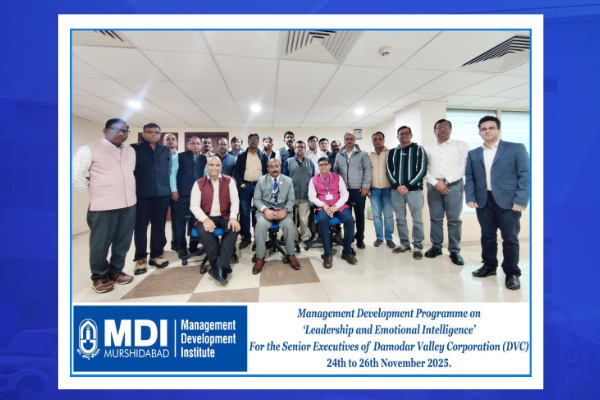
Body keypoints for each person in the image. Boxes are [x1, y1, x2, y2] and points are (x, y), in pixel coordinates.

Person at [465, 116, 530, 290]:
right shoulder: (473, 153)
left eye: (491, 128)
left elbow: (525, 175)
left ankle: (512, 272)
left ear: (499, 130)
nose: (487, 131)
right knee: (487, 236)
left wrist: (521, 199)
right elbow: (469, 177)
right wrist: (470, 197)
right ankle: (489, 266)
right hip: (483, 200)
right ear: (480, 132)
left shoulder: (515, 148)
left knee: (510, 238)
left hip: (508, 201)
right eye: (484, 129)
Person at [72, 118, 135, 293]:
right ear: (105, 131)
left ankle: (116, 272)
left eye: (125, 131)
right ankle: (99, 276)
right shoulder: (88, 149)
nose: (121, 133)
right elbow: (75, 175)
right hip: (103, 206)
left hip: (128, 204)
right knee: (100, 243)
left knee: (123, 241)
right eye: (116, 129)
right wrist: (94, 190)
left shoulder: (130, 151)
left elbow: (129, 173)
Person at [424, 119, 470, 265]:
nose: (442, 129)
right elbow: (423, 169)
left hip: (454, 185)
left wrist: (446, 181)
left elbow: (464, 167)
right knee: (435, 218)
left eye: (446, 127)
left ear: (450, 129)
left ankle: (454, 251)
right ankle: (436, 247)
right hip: (433, 186)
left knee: (454, 220)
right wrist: (436, 183)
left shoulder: (461, 145)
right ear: (434, 131)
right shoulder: (427, 148)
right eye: (439, 128)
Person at [190, 156, 240, 285]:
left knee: (233, 229)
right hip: (205, 216)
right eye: (211, 164)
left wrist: (233, 217)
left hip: (224, 216)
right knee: (205, 232)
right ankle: (222, 267)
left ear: (221, 167)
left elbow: (235, 201)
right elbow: (194, 206)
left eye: (217, 165)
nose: (214, 167)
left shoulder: (229, 181)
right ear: (206, 167)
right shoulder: (199, 183)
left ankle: (218, 267)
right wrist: (205, 219)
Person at [130, 122, 172, 274]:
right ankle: (141, 258)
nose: (153, 134)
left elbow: (168, 171)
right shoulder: (133, 149)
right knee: (140, 227)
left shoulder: (165, 150)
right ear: (143, 134)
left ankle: (156, 254)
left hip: (162, 194)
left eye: (156, 132)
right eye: (150, 131)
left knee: (159, 226)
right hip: (142, 195)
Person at [386, 126, 427, 260]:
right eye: (401, 134)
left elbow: (422, 170)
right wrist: (397, 186)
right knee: (400, 219)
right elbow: (389, 171)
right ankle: (404, 243)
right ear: (397, 136)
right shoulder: (392, 152)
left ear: (411, 135)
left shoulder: (419, 149)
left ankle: (418, 246)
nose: (404, 136)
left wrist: (408, 186)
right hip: (396, 191)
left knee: (417, 220)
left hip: (414, 191)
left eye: (406, 133)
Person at [252, 159, 300, 274]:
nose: (274, 169)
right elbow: (257, 199)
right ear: (267, 169)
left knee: (289, 224)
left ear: (280, 167)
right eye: (271, 167)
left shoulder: (288, 180)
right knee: (260, 225)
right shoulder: (261, 180)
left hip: (282, 210)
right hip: (266, 211)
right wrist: (265, 210)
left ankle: (291, 254)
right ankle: (260, 257)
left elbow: (291, 199)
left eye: (276, 166)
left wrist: (285, 210)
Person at [308, 157, 357, 268]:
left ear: (330, 165)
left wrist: (336, 206)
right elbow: (311, 197)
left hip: (338, 205)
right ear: (318, 167)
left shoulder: (338, 177)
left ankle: (347, 252)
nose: (323, 166)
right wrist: (323, 205)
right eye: (321, 165)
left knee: (349, 220)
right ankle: (327, 254)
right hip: (323, 207)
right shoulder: (313, 179)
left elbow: (344, 194)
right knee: (323, 220)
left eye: (325, 164)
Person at [332, 132, 372, 249]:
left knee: (359, 216)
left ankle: (360, 238)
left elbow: (367, 170)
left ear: (354, 140)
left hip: (359, 190)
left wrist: (365, 186)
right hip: (344, 191)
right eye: (347, 139)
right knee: (347, 216)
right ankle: (348, 237)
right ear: (344, 141)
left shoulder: (362, 154)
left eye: (351, 139)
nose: (349, 141)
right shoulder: (339, 155)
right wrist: (337, 188)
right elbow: (335, 171)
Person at [170, 136, 207, 258]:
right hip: (181, 194)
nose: (196, 145)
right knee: (180, 222)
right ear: (188, 145)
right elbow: (173, 173)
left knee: (195, 221)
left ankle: (193, 245)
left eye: (198, 143)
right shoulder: (179, 157)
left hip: (197, 196)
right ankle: (181, 247)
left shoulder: (204, 159)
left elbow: (205, 176)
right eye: (193, 143)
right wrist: (174, 190)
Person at [232, 133, 269, 249]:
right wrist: (241, 183)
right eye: (251, 139)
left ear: (258, 141)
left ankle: (258, 237)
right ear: (248, 141)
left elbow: (267, 171)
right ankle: (246, 237)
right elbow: (236, 171)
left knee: (259, 213)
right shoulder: (242, 155)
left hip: (259, 186)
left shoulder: (263, 155)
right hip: (245, 187)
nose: (253, 141)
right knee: (245, 213)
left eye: (255, 139)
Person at [282, 141, 315, 244]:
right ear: (294, 149)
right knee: (292, 219)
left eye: (302, 147)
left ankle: (305, 236)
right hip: (292, 196)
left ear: (305, 149)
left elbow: (314, 179)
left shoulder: (310, 162)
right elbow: (284, 179)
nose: (300, 148)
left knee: (304, 218)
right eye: (297, 147)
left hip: (305, 195)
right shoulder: (288, 161)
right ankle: (294, 237)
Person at [368, 131, 395, 249]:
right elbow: (366, 172)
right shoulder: (368, 155)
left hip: (388, 190)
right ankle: (379, 237)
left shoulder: (390, 153)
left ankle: (389, 238)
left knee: (388, 216)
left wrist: (394, 187)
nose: (377, 141)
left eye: (380, 139)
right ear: (372, 141)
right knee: (376, 216)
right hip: (374, 190)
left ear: (384, 140)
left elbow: (394, 171)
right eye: (375, 139)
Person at [163, 133, 178, 251]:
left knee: (176, 219)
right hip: (161, 192)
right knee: (160, 220)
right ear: (163, 142)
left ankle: (175, 242)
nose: (171, 141)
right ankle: (159, 246)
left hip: (176, 191)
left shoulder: (180, 156)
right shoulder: (159, 155)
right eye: (168, 139)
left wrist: (175, 189)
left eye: (173, 139)